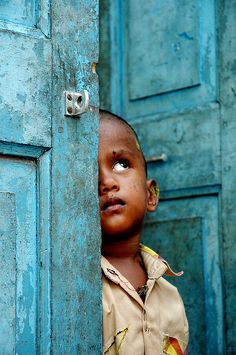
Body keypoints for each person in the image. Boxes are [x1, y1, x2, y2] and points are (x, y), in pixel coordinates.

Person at [99, 110, 189, 355]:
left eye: (121, 164)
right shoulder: (79, 290)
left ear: (151, 195)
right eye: (87, 171)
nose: (106, 182)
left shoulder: (170, 296)